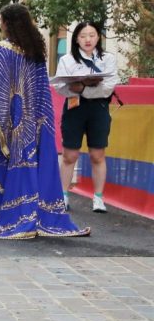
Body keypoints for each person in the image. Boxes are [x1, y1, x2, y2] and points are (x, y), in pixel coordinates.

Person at [0, 4, 90, 239]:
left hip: (11, 118)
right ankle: (35, 213)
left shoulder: (4, 49)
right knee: (31, 165)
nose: (0, 25)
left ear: (7, 23)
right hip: (35, 119)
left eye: (1, 21)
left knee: (1, 159)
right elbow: (41, 91)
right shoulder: (35, 52)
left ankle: (1, 213)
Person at [53, 21, 119, 212]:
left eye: (91, 35)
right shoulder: (67, 60)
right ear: (76, 39)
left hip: (98, 109)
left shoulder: (108, 59)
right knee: (69, 154)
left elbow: (107, 89)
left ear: (98, 37)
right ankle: (63, 195)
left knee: (97, 154)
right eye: (83, 36)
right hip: (74, 109)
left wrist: (82, 89)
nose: (87, 39)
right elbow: (60, 87)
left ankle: (98, 198)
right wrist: (78, 89)